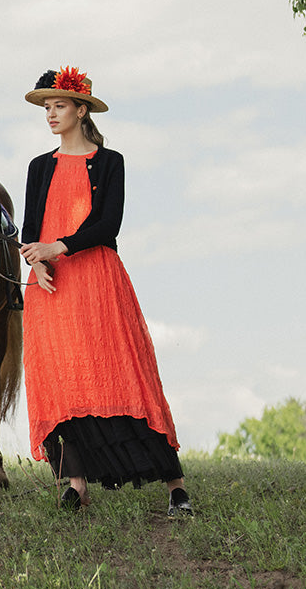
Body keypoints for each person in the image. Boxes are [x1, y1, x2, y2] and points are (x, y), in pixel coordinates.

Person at [19, 65, 194, 516]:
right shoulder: (39, 167)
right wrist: (37, 266)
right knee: (63, 382)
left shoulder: (110, 162)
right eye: (46, 107)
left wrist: (57, 246)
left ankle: (175, 486)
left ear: (81, 110)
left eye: (58, 106)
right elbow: (28, 230)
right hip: (50, 289)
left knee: (124, 373)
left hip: (96, 282)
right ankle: (76, 483)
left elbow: (107, 225)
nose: (50, 114)